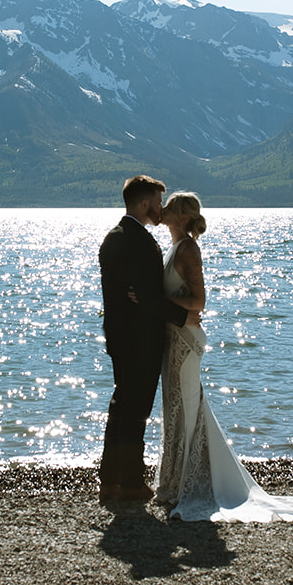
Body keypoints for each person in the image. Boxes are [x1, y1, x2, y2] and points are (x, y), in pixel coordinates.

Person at [153, 192, 293, 525]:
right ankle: (177, 479)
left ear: (180, 216)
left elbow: (199, 302)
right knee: (177, 405)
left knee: (186, 406)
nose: (161, 210)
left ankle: (188, 481)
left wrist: (158, 299)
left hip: (186, 342)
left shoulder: (189, 249)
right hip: (173, 338)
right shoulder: (174, 247)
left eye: (169, 206)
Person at [97, 175, 200, 508]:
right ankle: (130, 483)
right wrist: (184, 318)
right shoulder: (139, 242)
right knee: (136, 411)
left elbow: (134, 295)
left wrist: (142, 299)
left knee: (120, 405)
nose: (160, 208)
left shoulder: (113, 238)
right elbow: (149, 297)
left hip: (118, 336)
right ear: (144, 204)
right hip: (140, 339)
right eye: (157, 202)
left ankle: (109, 479)